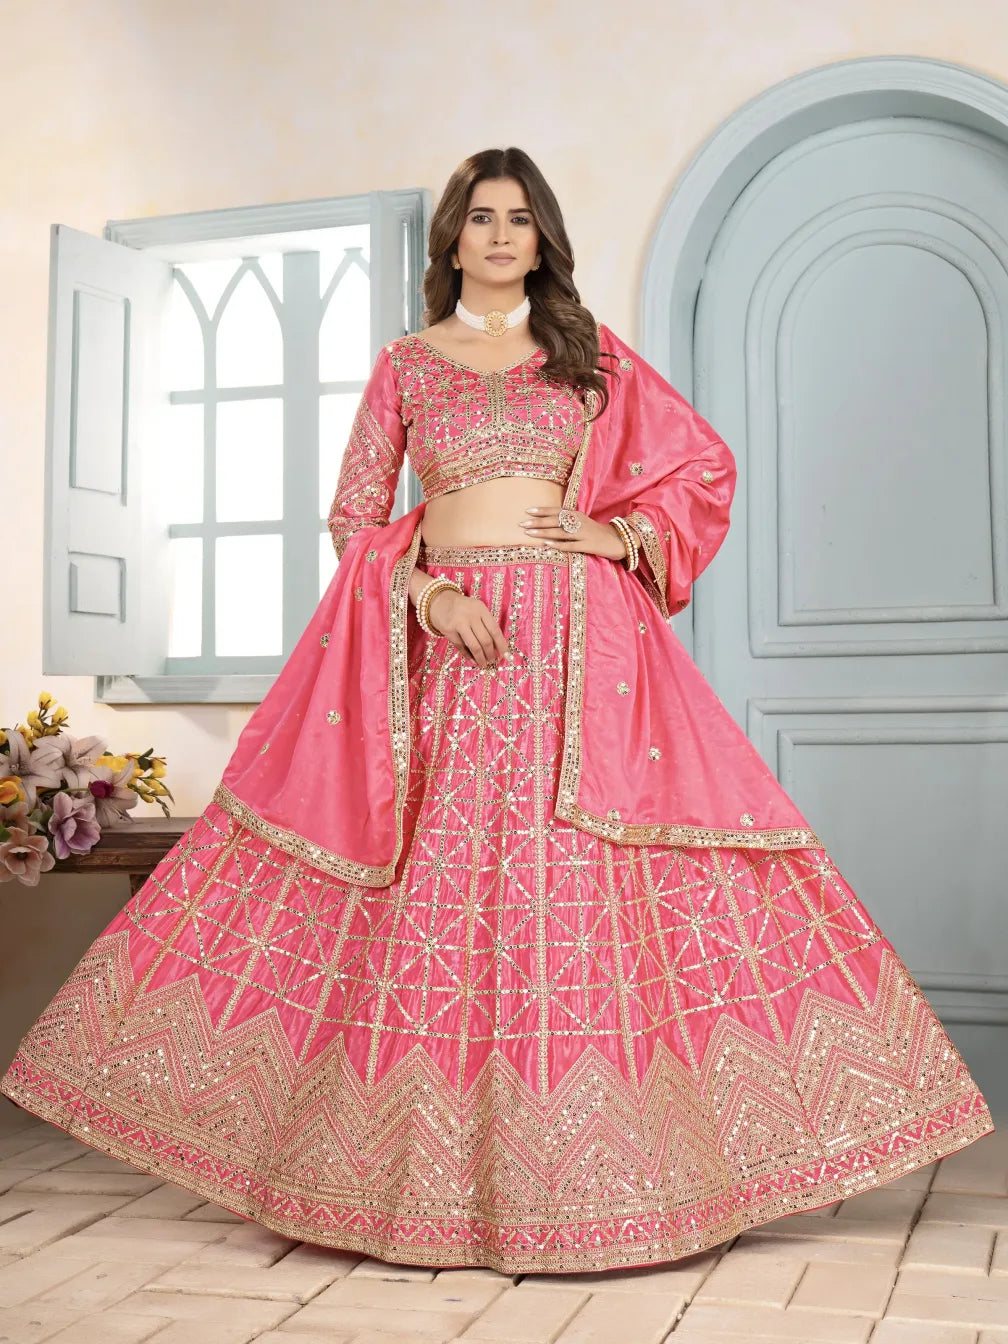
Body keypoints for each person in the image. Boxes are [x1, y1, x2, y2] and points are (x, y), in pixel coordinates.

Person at [3, 148, 992, 1275]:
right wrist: (425, 593)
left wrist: (617, 539)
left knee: (579, 888)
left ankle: (610, 1181)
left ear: (543, 236)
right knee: (443, 893)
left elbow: (700, 470)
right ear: (452, 241)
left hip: (584, 648)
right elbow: (354, 516)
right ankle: (411, 1183)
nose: (503, 235)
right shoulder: (406, 367)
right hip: (451, 650)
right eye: (482, 218)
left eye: (521, 218)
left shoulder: (585, 354)